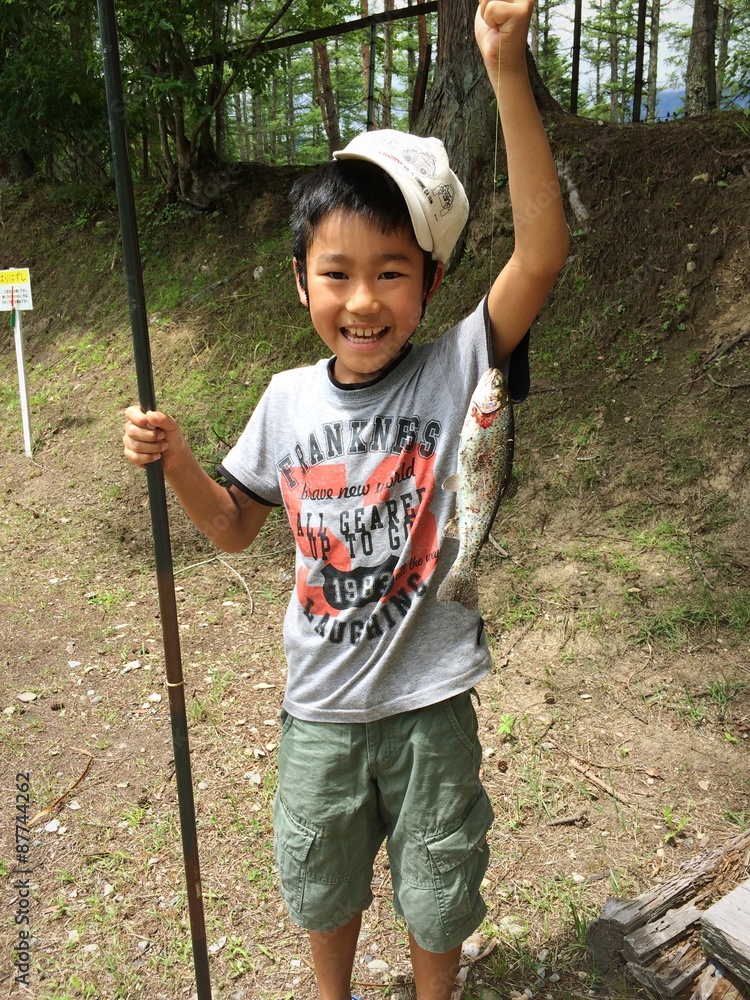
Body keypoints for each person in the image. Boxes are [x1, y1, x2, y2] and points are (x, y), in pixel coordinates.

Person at [123, 2, 568, 997]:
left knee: (439, 881)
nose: (362, 299)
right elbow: (235, 528)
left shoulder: (456, 373)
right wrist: (179, 461)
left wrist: (504, 66)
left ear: (431, 285)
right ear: (300, 283)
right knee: (321, 881)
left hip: (430, 699)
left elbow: (540, 258)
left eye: (391, 274)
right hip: (318, 707)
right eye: (337, 273)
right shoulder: (284, 400)